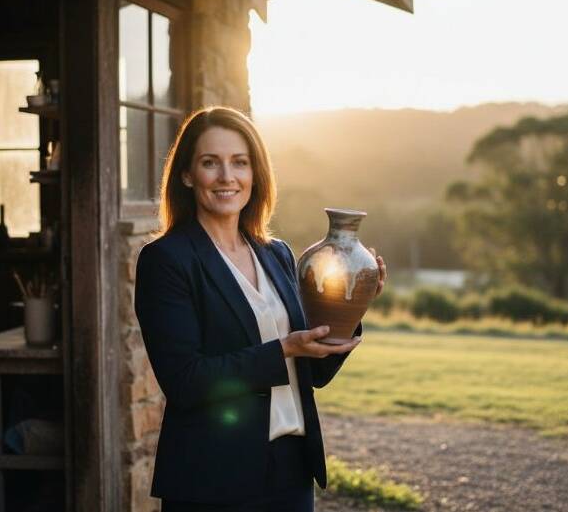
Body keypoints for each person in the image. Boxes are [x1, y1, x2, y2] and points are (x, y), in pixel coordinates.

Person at [134, 106, 386, 512]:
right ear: (186, 175)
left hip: (291, 471)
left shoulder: (277, 254)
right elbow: (184, 381)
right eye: (210, 163)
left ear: (255, 173)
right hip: (211, 479)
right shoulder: (166, 260)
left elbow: (313, 374)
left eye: (240, 162)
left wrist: (351, 310)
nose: (227, 176)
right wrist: (283, 349)